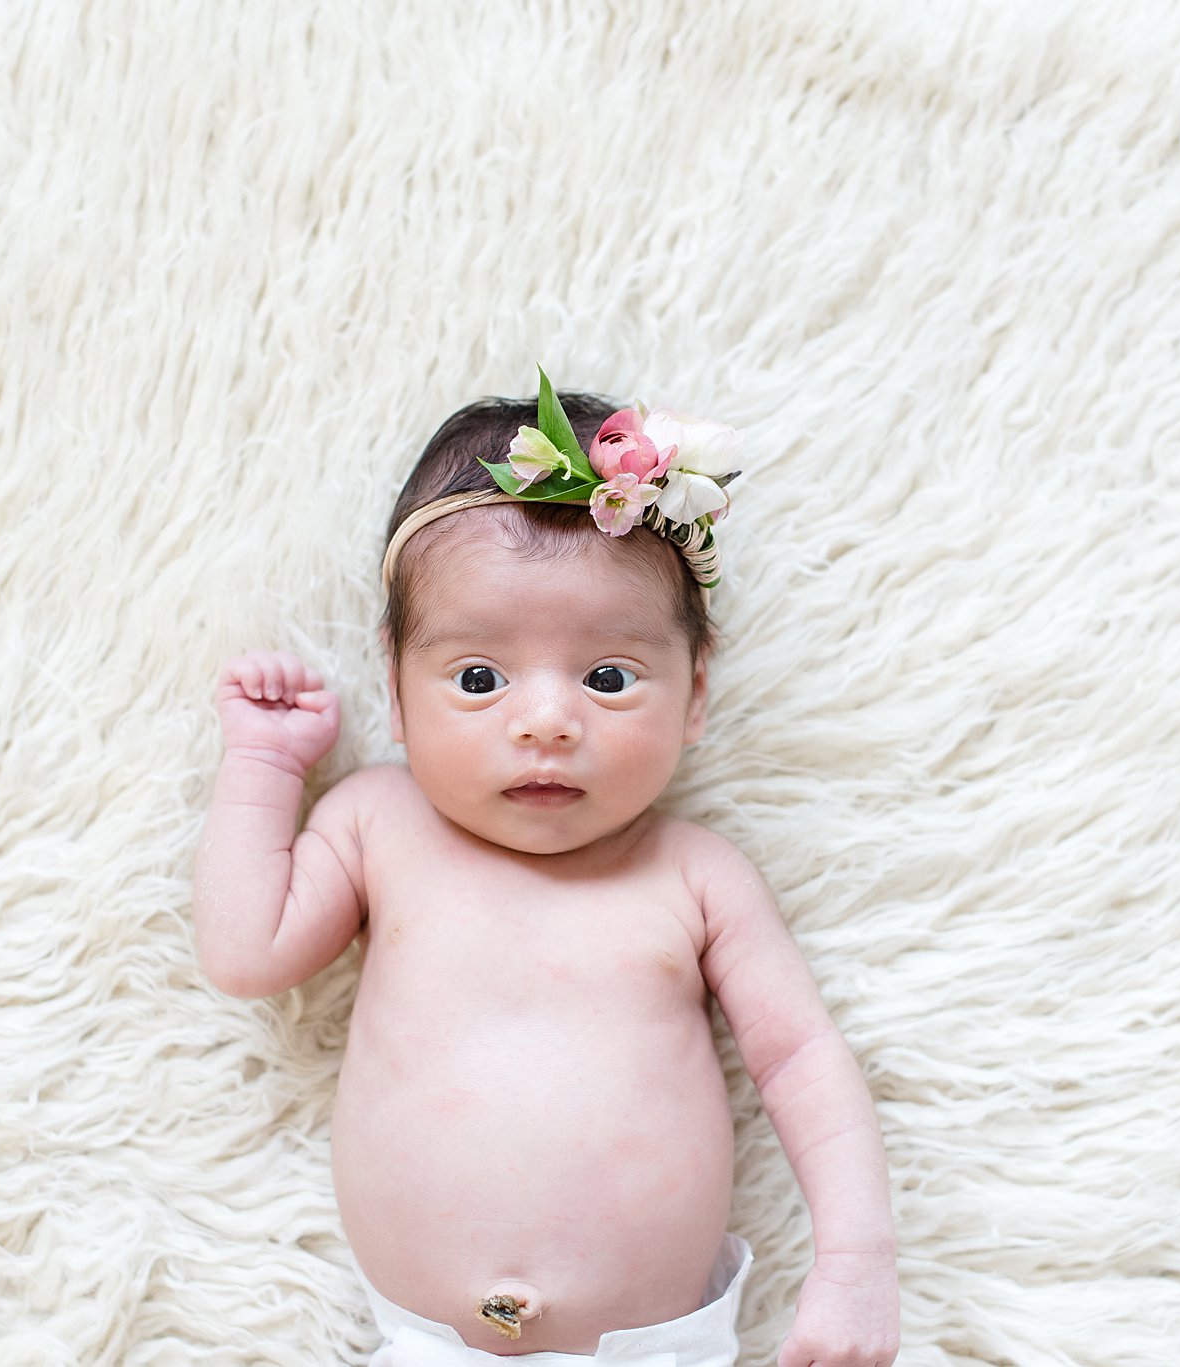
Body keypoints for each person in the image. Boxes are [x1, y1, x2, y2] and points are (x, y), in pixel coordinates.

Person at [192, 370, 901, 1366]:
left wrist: (856, 1261)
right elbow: (245, 947)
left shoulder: (693, 876)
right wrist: (264, 766)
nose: (543, 719)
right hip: (422, 1344)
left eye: (607, 677)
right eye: (477, 677)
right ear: (394, 691)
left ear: (694, 694)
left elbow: (799, 1059)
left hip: (654, 1348)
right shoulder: (377, 825)